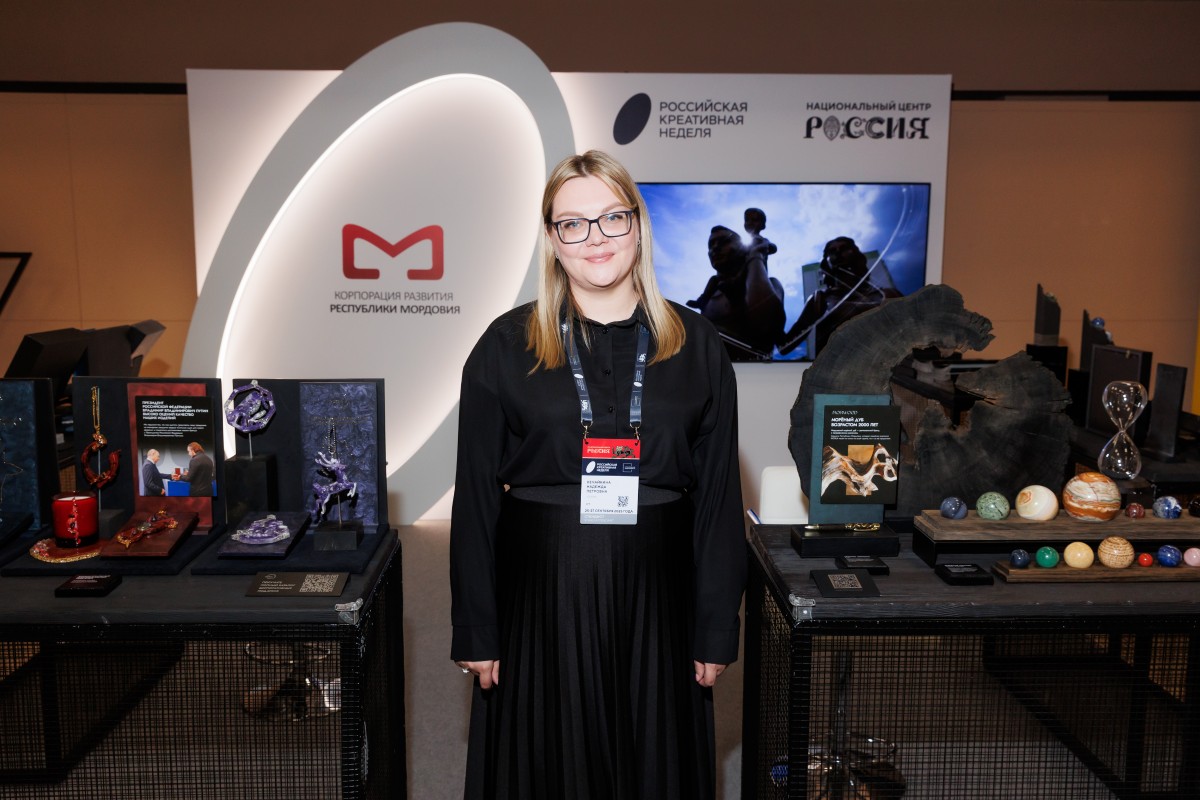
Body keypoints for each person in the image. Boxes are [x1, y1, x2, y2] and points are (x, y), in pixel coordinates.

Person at [450, 150, 746, 799]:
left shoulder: (698, 344)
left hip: (660, 591)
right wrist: (476, 625)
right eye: (573, 223)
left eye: (613, 217)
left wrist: (716, 625)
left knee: (654, 761)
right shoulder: (505, 345)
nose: (596, 238)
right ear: (552, 239)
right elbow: (474, 498)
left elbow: (719, 499)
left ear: (638, 224)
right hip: (541, 593)